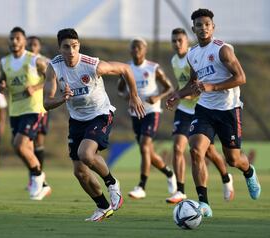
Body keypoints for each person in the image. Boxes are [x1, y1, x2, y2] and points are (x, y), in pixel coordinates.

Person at [166, 8, 261, 217]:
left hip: (228, 110)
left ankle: (249, 171)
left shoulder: (223, 50)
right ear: (194, 29)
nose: (203, 28)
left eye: (207, 24)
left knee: (233, 160)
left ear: (213, 27)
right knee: (195, 150)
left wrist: (213, 87)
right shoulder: (192, 54)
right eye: (199, 25)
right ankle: (204, 203)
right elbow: (194, 83)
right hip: (205, 109)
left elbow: (241, 78)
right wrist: (177, 94)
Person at [43, 28, 145, 222]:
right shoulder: (53, 67)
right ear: (60, 49)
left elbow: (125, 68)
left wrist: (133, 95)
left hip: (100, 114)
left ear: (78, 46)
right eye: (66, 47)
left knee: (86, 154)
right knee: (79, 171)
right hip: (77, 120)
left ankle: (112, 183)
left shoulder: (92, 65)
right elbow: (46, 103)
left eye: (74, 46)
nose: (71, 51)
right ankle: (103, 206)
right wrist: (61, 99)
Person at [166, 28, 234, 204]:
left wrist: (185, 95)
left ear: (187, 41)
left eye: (180, 40)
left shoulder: (194, 56)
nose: (177, 44)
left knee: (210, 152)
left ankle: (226, 177)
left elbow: (198, 88)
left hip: (201, 108)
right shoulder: (174, 60)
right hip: (184, 110)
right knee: (178, 147)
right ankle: (180, 190)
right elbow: (187, 84)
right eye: (174, 41)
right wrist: (178, 95)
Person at [117, 38, 176, 199]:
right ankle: (169, 173)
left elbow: (169, 87)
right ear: (130, 51)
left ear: (144, 50)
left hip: (152, 111)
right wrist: (128, 97)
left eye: (138, 48)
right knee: (147, 151)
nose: (136, 50)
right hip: (136, 113)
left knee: (144, 146)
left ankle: (141, 186)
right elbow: (120, 90)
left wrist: (158, 97)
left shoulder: (153, 68)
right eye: (133, 48)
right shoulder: (126, 68)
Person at [0, 27, 50, 200]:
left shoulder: (35, 60)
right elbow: (1, 82)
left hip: (34, 109)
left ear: (24, 41)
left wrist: (35, 87)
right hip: (16, 111)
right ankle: (42, 181)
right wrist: (1, 86)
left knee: (19, 145)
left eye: (17, 38)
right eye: (11, 38)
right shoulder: (4, 62)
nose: (14, 41)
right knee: (24, 149)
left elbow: (51, 78)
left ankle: (37, 176)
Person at [26, 36, 50, 184]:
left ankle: (38, 178)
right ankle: (35, 177)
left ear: (39, 47)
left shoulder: (45, 62)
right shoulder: (21, 60)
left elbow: (50, 81)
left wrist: (35, 88)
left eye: (34, 45)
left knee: (38, 143)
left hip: (40, 108)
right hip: (23, 108)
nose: (32, 47)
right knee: (25, 145)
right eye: (29, 45)